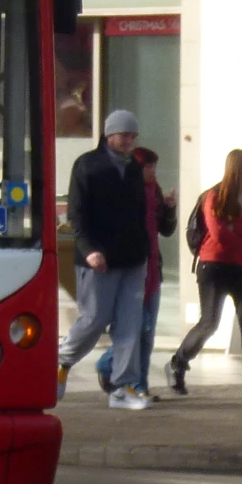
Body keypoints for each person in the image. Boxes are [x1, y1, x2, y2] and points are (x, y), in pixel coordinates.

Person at [168, 148, 242, 398]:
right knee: (209, 323)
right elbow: (219, 235)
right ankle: (178, 363)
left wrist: (236, 228)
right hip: (214, 267)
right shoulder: (214, 196)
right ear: (235, 169)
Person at [58, 108, 152, 410]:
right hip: (99, 258)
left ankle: (123, 387)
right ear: (109, 134)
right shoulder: (88, 166)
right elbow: (77, 214)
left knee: (129, 324)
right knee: (94, 319)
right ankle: (63, 359)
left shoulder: (135, 169)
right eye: (124, 135)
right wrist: (89, 250)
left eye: (133, 136)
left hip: (134, 257)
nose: (129, 141)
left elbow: (139, 212)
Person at [97, 146, 175, 396]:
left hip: (154, 269)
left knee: (148, 332)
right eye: (148, 166)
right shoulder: (128, 193)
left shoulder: (156, 191)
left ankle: (139, 384)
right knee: (138, 328)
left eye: (154, 166)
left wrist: (169, 208)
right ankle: (110, 365)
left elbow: (165, 230)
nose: (153, 171)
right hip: (133, 269)